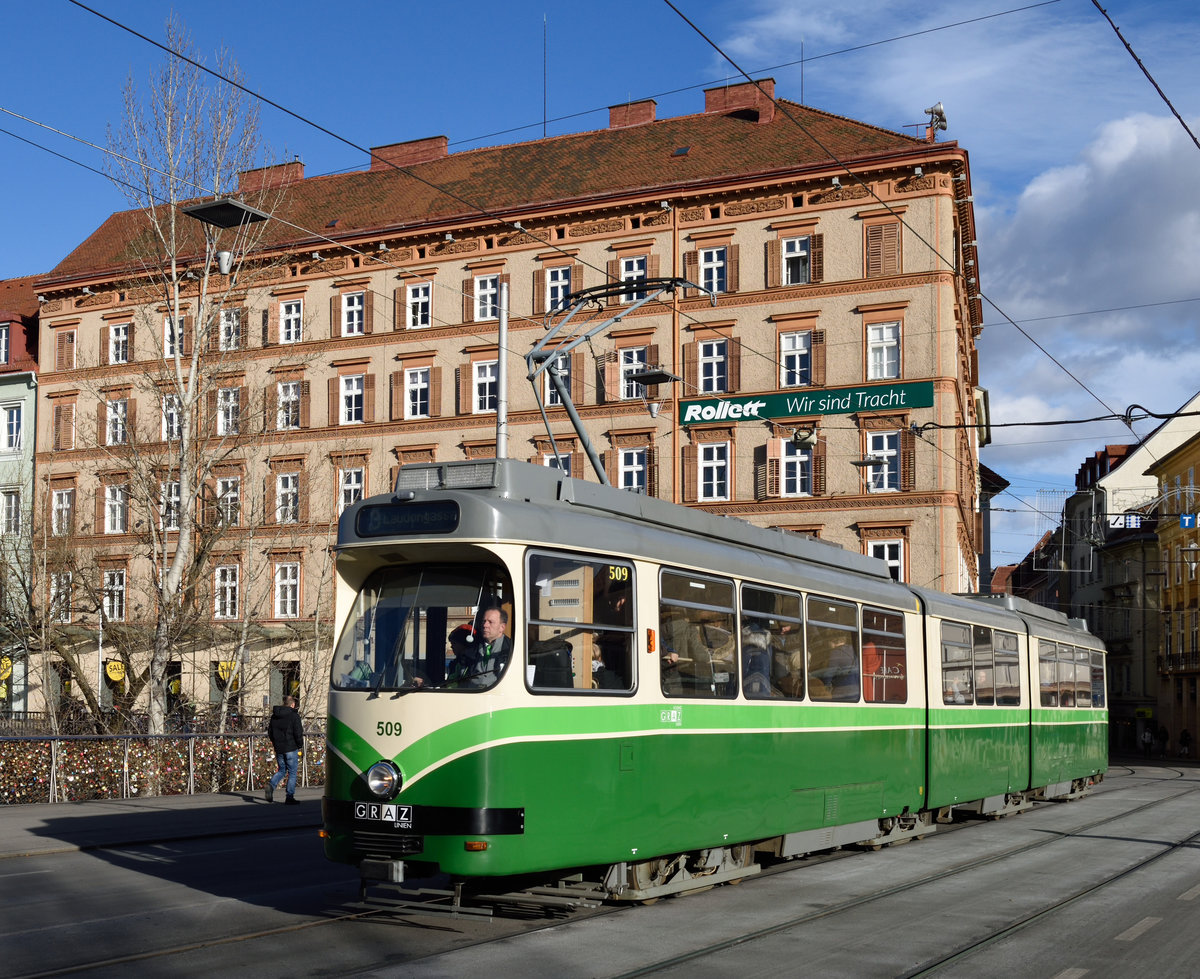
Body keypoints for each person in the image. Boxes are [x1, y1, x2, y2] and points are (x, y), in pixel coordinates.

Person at [450, 608, 512, 686]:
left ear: (502, 627)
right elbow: (457, 679)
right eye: (484, 621)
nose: (485, 625)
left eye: (490, 622)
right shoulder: (469, 651)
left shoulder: (513, 651)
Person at [266, 695, 304, 805]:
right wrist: (299, 745)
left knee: (282, 770)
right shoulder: (294, 716)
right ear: (292, 705)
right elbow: (298, 732)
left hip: (279, 748)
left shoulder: (275, 716)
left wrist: (275, 743)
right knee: (292, 772)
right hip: (291, 747)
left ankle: (271, 785)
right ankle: (289, 796)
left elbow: (270, 732)